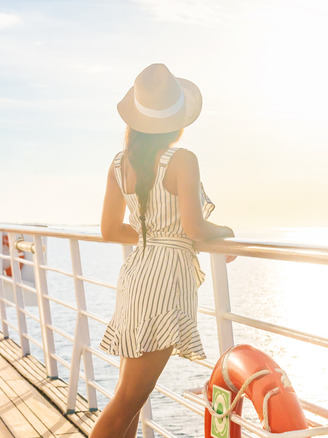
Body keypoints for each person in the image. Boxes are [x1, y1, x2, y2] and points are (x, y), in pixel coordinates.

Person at [93, 63, 234, 438]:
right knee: (128, 400)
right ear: (176, 122)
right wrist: (225, 232)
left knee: (130, 400)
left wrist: (149, 235)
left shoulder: (119, 164)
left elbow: (110, 230)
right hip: (166, 280)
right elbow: (194, 228)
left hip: (137, 274)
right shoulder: (182, 160)